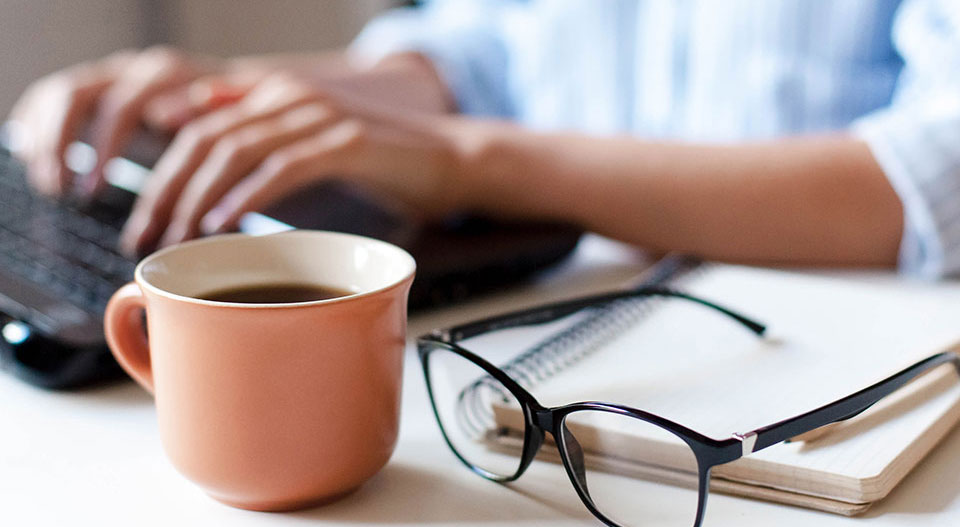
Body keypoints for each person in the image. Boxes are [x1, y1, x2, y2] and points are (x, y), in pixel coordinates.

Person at [8, 0, 960, 278]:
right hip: (576, 310)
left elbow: (930, 175)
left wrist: (473, 162)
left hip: (833, 374)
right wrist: (235, 97)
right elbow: (495, 52)